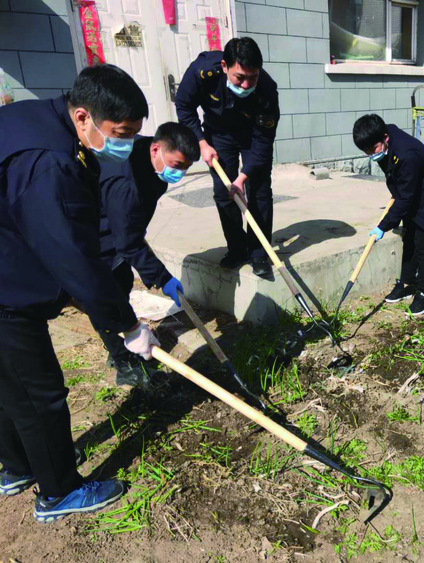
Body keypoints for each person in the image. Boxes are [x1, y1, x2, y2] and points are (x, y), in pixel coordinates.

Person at [0, 65, 159, 523]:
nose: (125, 144)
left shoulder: (38, 118)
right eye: (120, 133)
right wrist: (127, 325)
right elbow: (71, 255)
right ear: (85, 116)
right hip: (5, 295)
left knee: (8, 385)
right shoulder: (47, 161)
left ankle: (15, 468)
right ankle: (57, 493)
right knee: (39, 393)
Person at [98, 122, 200, 387]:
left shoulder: (150, 156)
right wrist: (161, 277)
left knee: (120, 285)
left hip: (120, 222)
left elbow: (133, 228)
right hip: (94, 232)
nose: (179, 173)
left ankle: (121, 346)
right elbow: (128, 243)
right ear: (156, 148)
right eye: (176, 165)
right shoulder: (126, 183)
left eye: (185, 167)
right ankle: (123, 362)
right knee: (107, 297)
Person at [175, 37, 280, 275]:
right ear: (224, 67)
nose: (245, 85)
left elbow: (263, 142)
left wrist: (242, 178)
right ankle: (237, 248)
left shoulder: (266, 90)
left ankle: (259, 252)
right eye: (239, 77)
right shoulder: (202, 72)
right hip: (218, 134)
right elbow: (184, 106)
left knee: (260, 189)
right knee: (223, 192)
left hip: (252, 135)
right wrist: (201, 142)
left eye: (251, 77)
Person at [352, 114, 424, 316]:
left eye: (372, 149)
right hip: (415, 187)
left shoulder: (407, 155)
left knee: (423, 242)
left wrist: (383, 226)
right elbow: (398, 182)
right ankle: (407, 283)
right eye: (366, 151)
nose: (370, 154)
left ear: (385, 138)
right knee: (409, 236)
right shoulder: (383, 137)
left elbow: (405, 199)